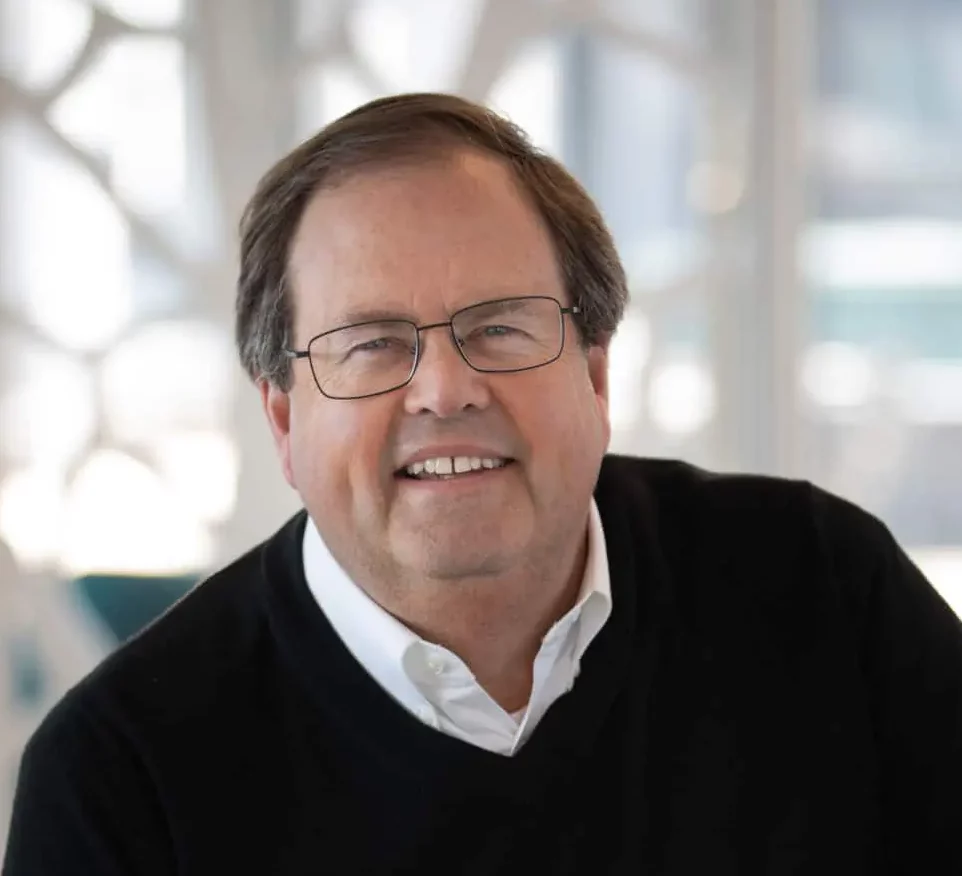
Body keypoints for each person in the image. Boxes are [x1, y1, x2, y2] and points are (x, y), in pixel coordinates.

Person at [3, 93, 961, 876]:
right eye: (372, 343)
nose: (446, 390)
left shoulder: (820, 585)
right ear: (285, 420)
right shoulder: (119, 781)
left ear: (595, 375)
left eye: (501, 326)